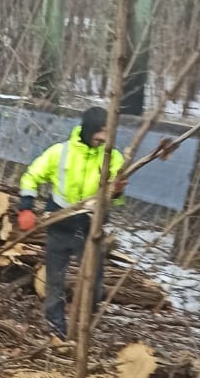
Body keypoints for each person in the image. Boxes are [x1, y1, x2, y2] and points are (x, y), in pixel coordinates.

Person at [16, 106, 128, 339]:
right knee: (55, 279)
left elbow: (116, 200)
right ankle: (55, 326)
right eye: (100, 132)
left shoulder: (113, 157)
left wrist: (116, 192)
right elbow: (31, 176)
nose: (103, 138)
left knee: (94, 283)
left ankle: (84, 327)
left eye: (107, 132)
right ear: (89, 129)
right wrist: (26, 206)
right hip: (60, 224)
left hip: (90, 228)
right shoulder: (60, 152)